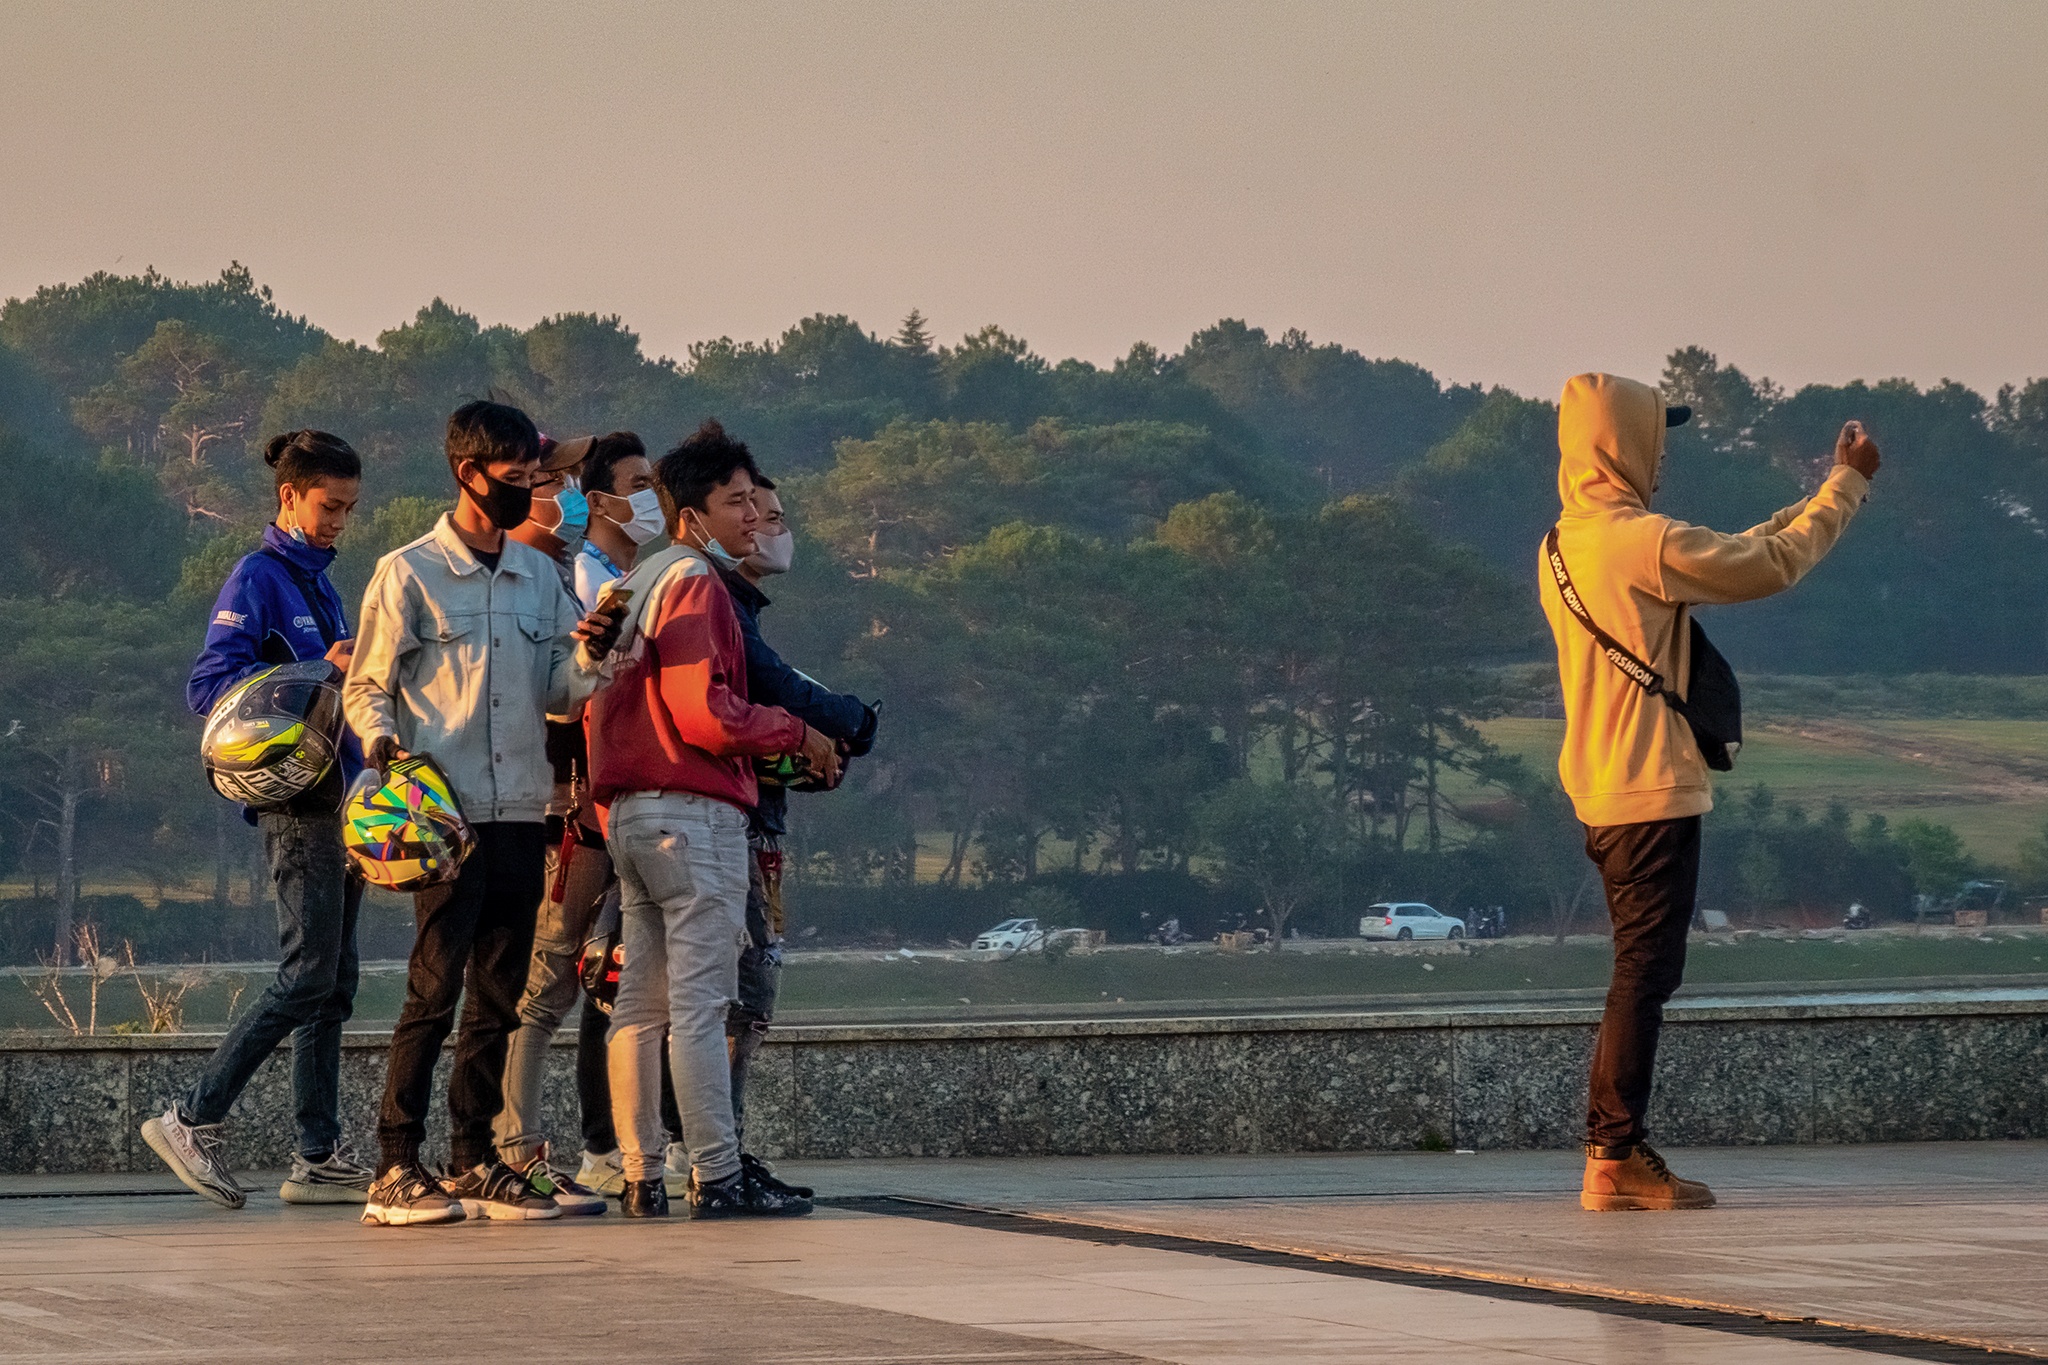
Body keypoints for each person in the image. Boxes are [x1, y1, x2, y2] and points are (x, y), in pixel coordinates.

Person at [1539, 373, 1878, 1212]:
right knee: (1644, 973)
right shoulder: (1641, 541)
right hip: (1652, 787)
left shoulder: (1561, 544)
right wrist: (1846, 488)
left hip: (1601, 788)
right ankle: (1613, 1156)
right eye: (1655, 438)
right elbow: (1769, 565)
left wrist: (1816, 492)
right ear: (1622, 444)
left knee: (1639, 968)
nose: (1661, 456)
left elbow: (1731, 547)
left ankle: (1613, 1150)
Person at [345, 400, 624, 1227]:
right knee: (432, 990)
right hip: (442, 818)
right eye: (517, 477)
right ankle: (394, 1165)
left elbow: (558, 693)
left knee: (498, 995)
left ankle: (473, 1158)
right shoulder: (407, 572)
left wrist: (593, 650)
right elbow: (367, 684)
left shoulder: (539, 576)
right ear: (468, 473)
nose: (532, 491)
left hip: (521, 811)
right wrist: (384, 746)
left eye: (536, 477)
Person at [585, 418, 838, 1218]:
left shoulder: (635, 582)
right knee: (698, 1005)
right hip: (691, 814)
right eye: (737, 502)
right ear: (692, 516)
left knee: (639, 1006)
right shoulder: (697, 582)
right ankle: (719, 1174)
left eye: (754, 501)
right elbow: (705, 713)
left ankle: (640, 1176)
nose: (754, 517)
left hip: (629, 812)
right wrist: (794, 731)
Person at [143, 430, 371, 1210]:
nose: (339, 520)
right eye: (329, 505)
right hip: (295, 806)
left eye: (349, 508)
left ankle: (318, 1154)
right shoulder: (259, 576)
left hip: (342, 804)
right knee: (306, 974)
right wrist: (318, 666)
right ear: (289, 496)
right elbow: (210, 685)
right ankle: (191, 1117)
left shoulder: (319, 583)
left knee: (333, 984)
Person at [718, 481, 875, 1192]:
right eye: (758, 513)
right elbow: (772, 690)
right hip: (737, 824)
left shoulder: (738, 608)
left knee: (742, 996)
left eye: (776, 517)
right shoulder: (717, 603)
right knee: (742, 996)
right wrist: (842, 720)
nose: (769, 528)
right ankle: (712, 1152)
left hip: (756, 821)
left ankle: (711, 1147)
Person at [482, 431, 609, 1214]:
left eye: (568, 478)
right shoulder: (511, 586)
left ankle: (517, 1148)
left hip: (577, 805)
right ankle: (511, 1149)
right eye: (549, 480)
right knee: (536, 986)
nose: (567, 495)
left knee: (555, 987)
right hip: (547, 810)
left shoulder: (556, 577)